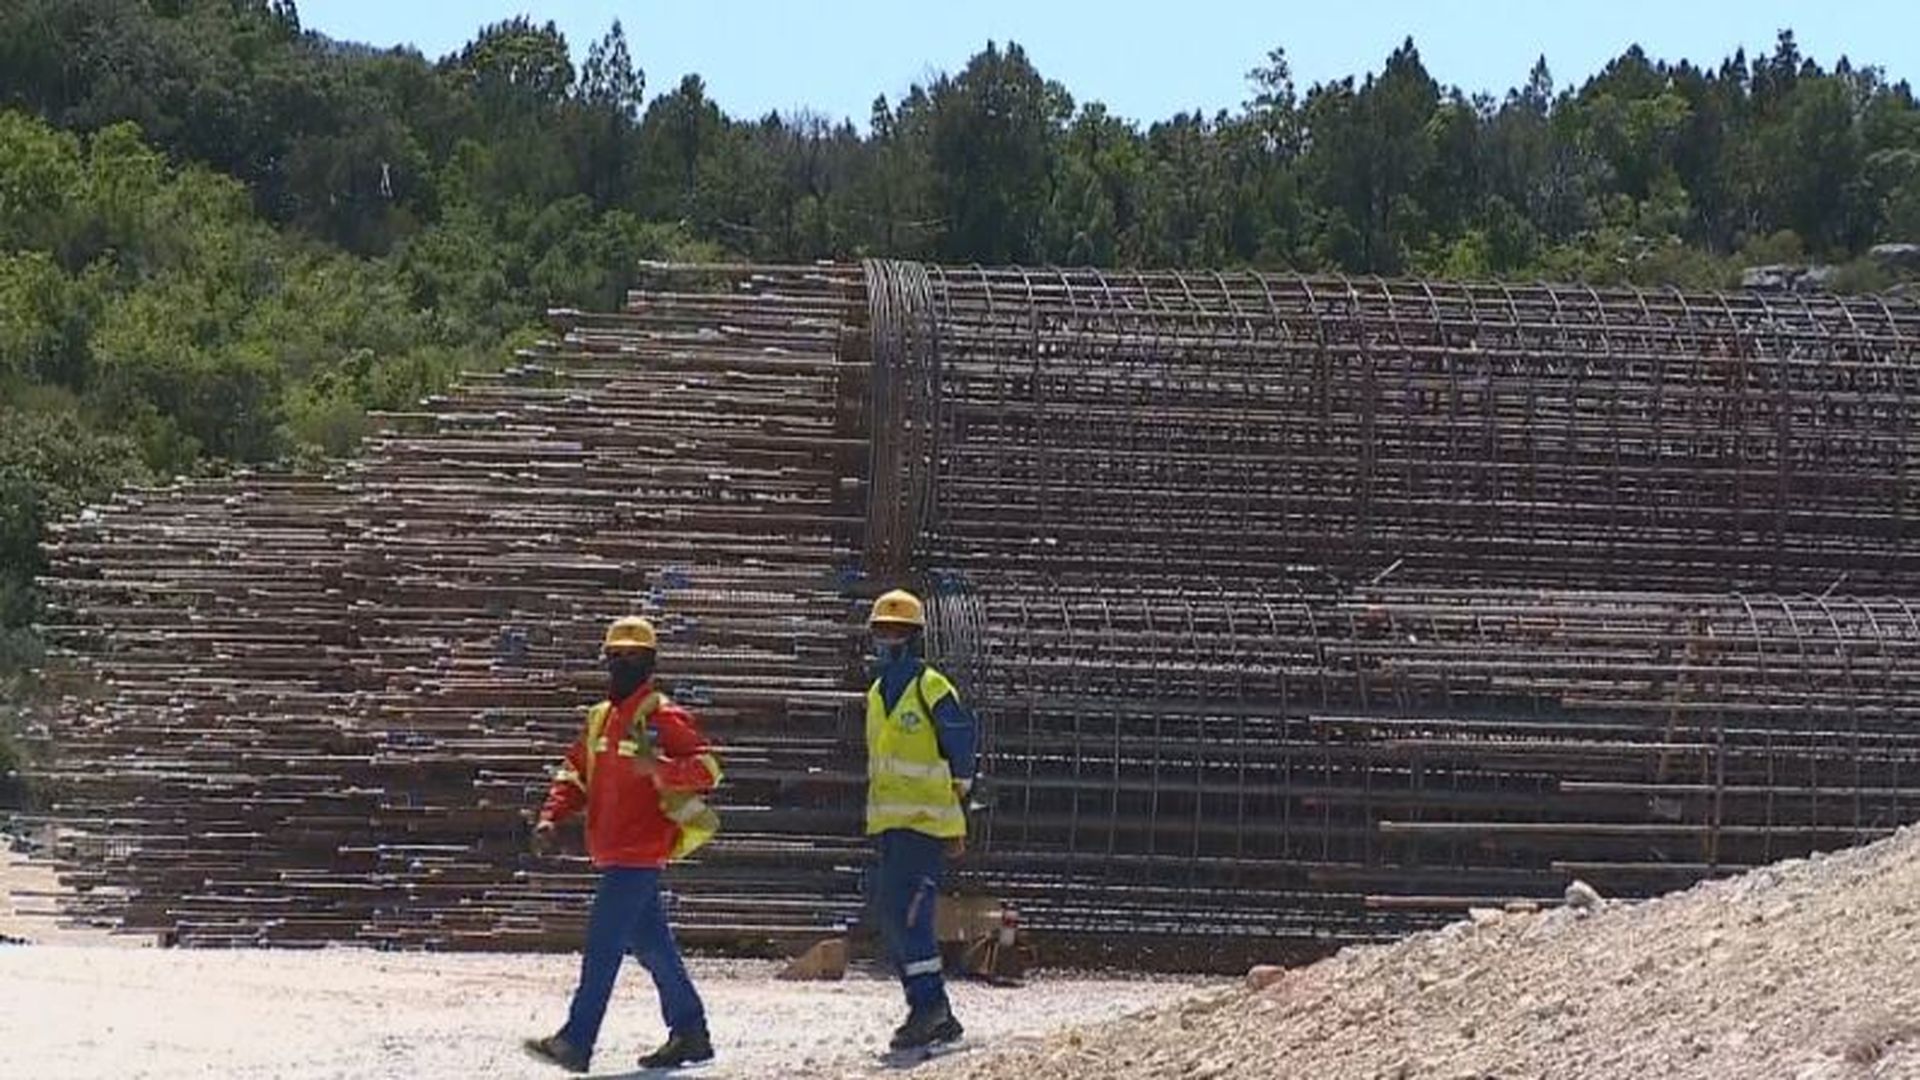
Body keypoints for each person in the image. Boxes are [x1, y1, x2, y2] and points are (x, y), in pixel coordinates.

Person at [523, 615, 723, 1073]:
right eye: (616, 656)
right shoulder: (599, 718)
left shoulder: (661, 714)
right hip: (612, 849)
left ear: (650, 663)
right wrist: (551, 817)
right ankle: (690, 1030)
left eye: (632, 656)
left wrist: (660, 768)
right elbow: (575, 775)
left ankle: (577, 1040)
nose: (622, 663)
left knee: (603, 947)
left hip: (641, 851)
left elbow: (708, 769)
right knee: (653, 946)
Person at [863, 588, 979, 1055]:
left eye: (896, 632)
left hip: (925, 824)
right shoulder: (876, 692)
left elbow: (962, 749)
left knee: (907, 915)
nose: (886, 640)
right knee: (892, 916)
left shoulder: (932, 686)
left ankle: (929, 1007)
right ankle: (932, 1011)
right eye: (881, 632)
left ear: (914, 639)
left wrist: (959, 809)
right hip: (891, 825)